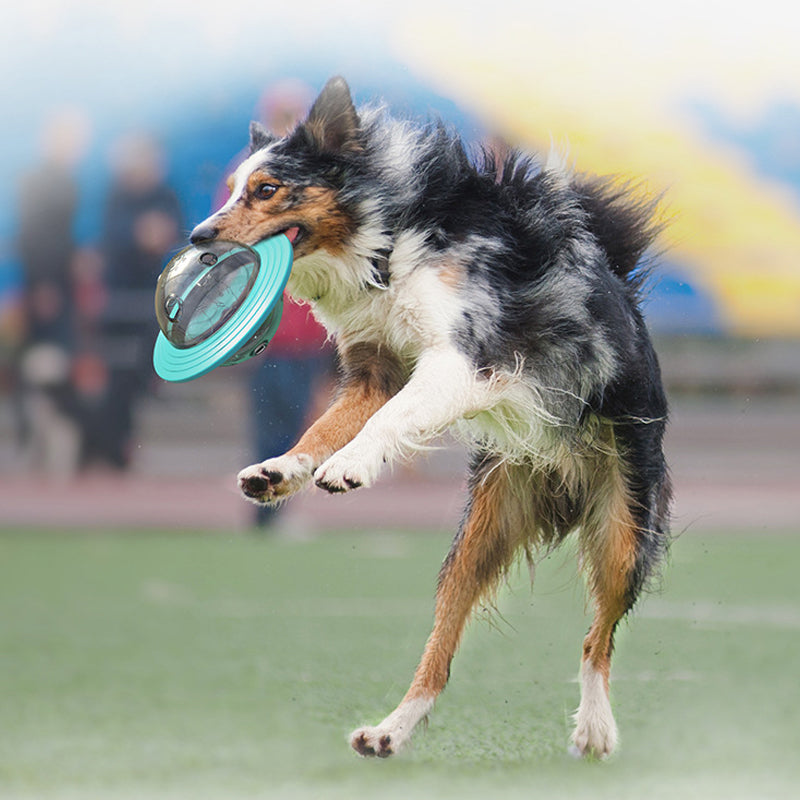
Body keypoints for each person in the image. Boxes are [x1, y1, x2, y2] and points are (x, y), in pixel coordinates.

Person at [90, 133, 183, 469]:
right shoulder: (118, 194)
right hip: (119, 297)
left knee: (143, 353)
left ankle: (152, 379)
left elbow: (181, 233)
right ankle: (110, 449)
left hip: (153, 292)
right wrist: (138, 234)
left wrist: (158, 234)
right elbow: (112, 237)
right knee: (117, 380)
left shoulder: (165, 194)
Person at [14, 109, 90, 474]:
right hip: (48, 286)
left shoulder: (62, 180)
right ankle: (36, 442)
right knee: (46, 369)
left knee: (51, 368)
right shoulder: (42, 182)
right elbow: (35, 236)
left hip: (54, 283)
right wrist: (44, 283)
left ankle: (48, 446)